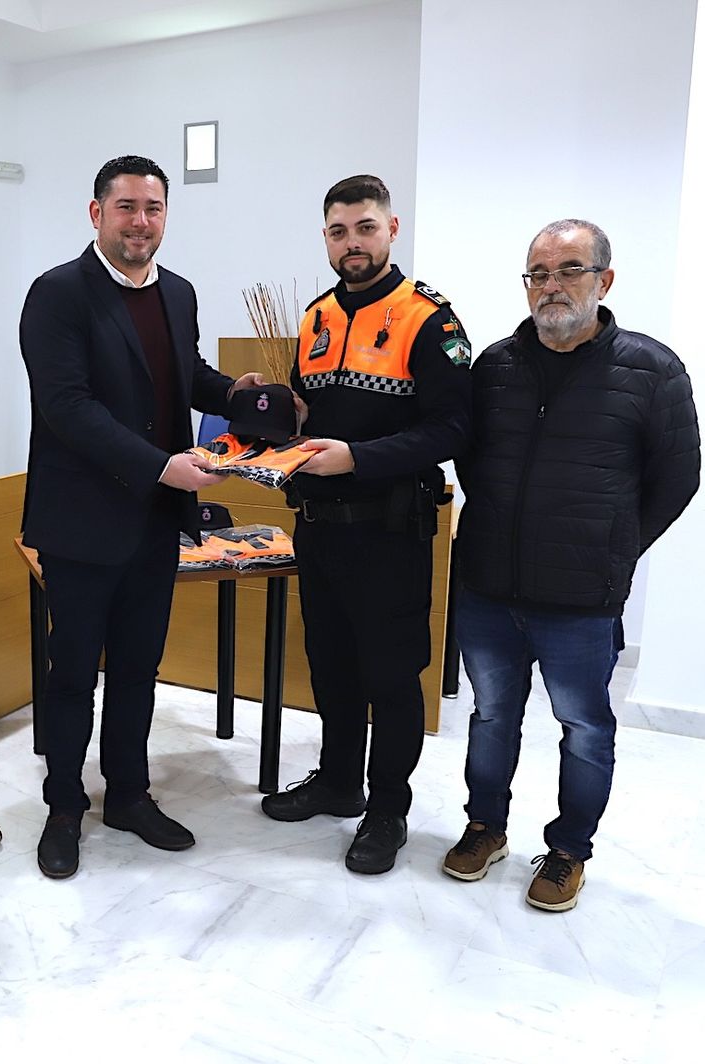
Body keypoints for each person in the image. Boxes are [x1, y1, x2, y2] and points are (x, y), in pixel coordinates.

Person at [442, 219, 699, 911]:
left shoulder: (652, 370)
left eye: (569, 270)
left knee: (584, 729)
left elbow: (676, 479)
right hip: (490, 586)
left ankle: (567, 851)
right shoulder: (493, 367)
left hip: (582, 599)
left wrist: (614, 546)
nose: (551, 286)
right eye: (538, 273)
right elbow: (474, 463)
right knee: (492, 716)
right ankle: (484, 826)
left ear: (604, 280)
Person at [20, 155, 264, 879]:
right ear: (97, 214)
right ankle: (64, 806)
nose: (140, 222)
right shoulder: (58, 294)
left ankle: (128, 794)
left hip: (155, 521)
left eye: (153, 209)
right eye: (126, 207)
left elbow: (183, 376)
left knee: (137, 670)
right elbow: (66, 407)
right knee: (73, 675)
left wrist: (245, 398)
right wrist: (162, 464)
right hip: (81, 523)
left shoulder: (177, 293)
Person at [260, 174, 471, 876]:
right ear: (327, 237)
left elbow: (455, 427)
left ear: (392, 230)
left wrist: (361, 458)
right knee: (332, 667)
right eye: (340, 231)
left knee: (390, 675)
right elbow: (310, 417)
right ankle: (338, 782)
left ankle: (388, 810)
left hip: (389, 533)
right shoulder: (317, 316)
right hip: (319, 532)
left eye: (366, 228)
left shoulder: (429, 319)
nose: (353, 243)